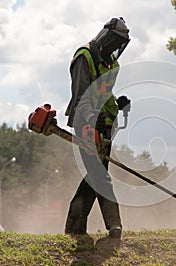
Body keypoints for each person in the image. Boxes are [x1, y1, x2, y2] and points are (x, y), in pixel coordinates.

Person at [64, 17, 131, 238]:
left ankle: (75, 229)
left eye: (120, 43)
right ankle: (114, 225)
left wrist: (117, 103)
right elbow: (81, 94)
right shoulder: (84, 57)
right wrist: (93, 118)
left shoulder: (112, 63)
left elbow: (104, 92)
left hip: (106, 126)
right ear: (107, 36)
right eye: (115, 41)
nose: (116, 47)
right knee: (99, 174)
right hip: (86, 124)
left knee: (97, 175)